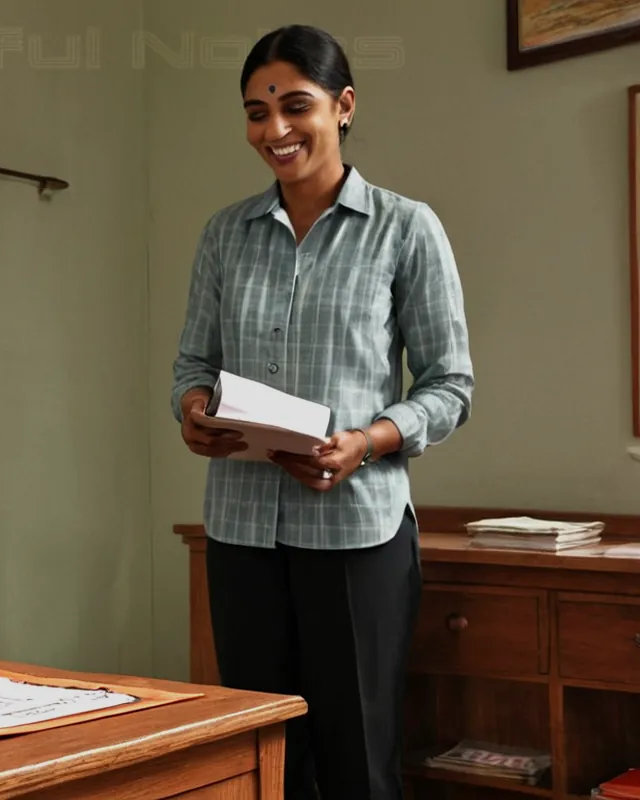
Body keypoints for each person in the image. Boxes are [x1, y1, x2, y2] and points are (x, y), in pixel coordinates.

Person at [170, 25, 473, 800]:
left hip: (358, 533)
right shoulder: (223, 236)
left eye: (294, 106)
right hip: (239, 533)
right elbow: (192, 366)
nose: (273, 131)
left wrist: (367, 442)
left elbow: (450, 386)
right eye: (254, 112)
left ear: (342, 107)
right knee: (264, 760)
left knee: (358, 765)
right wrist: (194, 408)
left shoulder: (407, 230)